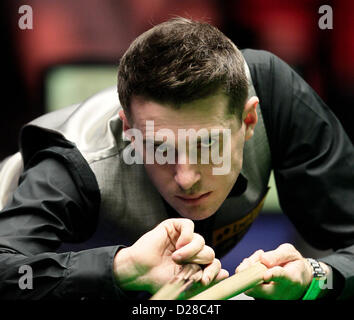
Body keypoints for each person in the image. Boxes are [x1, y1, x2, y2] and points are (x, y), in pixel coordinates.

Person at [0, 17, 353, 300]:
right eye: (160, 147)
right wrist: (121, 267)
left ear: (248, 120)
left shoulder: (275, 96)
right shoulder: (73, 165)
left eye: (206, 144)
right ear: (128, 129)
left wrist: (316, 277)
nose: (186, 178)